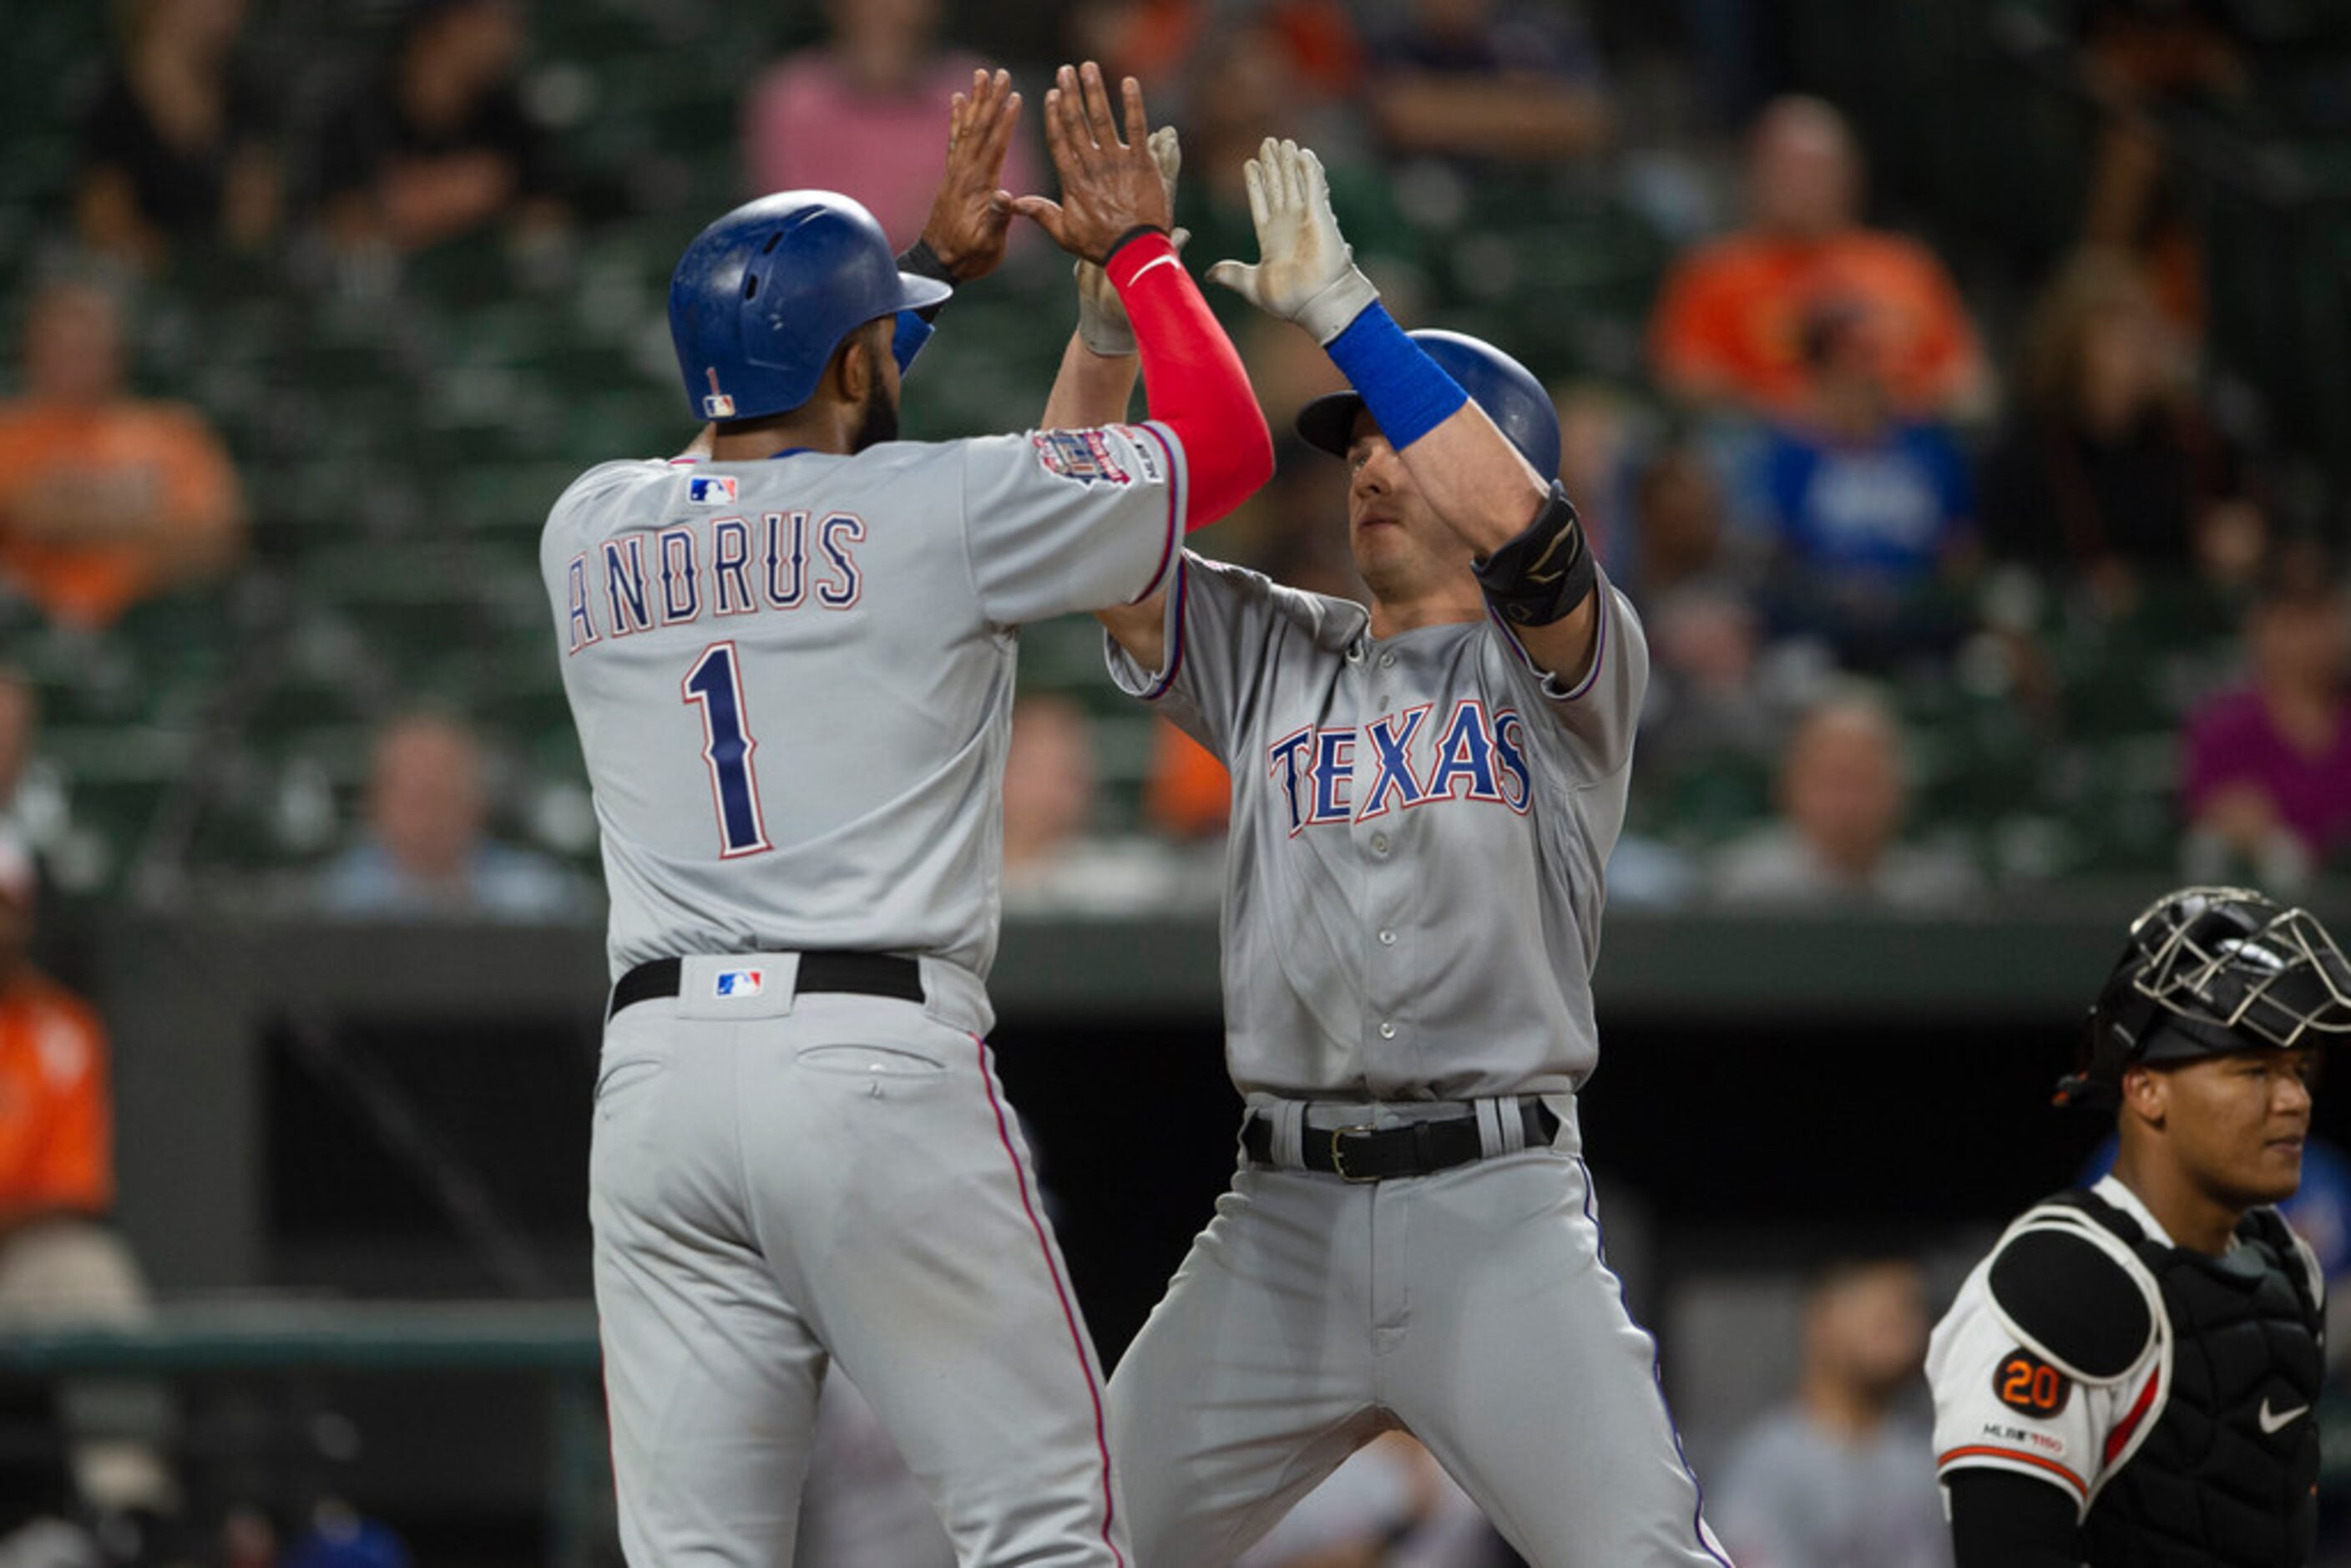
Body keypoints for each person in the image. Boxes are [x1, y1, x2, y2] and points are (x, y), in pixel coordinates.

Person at [548, 64, 1270, 1565]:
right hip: (866, 1062)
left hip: (657, 1084)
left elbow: (795, 465)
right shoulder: (942, 504)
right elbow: (1233, 453)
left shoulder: (588, 522)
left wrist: (912, 285)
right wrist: (1135, 261)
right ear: (863, 359)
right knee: (1047, 1528)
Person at [1079, 136, 1727, 1565]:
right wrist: (1112, 318)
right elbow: (1092, 552)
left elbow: (1534, 544)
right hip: (1279, 1218)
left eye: (1390, 431)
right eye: (1354, 438)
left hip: (1496, 1214)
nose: (1368, 459)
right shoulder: (1272, 650)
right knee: (1067, 1540)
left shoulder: (1573, 667)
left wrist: (1350, 316)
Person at [1927, 885, 2348, 1567]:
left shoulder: (2288, 1266)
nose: (2295, 1099)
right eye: (2254, 1071)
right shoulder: (2064, 1279)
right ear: (2146, 1088)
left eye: (2298, 1071)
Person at [1648, 96, 1986, 422]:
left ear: (1853, 174)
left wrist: (1882, 413)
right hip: (1772, 455)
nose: (1802, 183)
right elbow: (1685, 386)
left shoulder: (1906, 266)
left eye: (1816, 168)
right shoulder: (1714, 273)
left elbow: (1969, 385)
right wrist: (1799, 413)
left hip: (1901, 446)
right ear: (1755, 174)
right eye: (1787, 167)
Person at [1979, 250, 2263, 594]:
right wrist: (2075, 582)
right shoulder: (2027, 449)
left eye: (2146, 333)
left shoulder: (2190, 439)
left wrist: (2238, 539)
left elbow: (2240, 517)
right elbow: (2007, 568)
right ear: (2073, 346)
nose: (2138, 353)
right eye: (2117, 337)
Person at [0, 281, 245, 629]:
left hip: (151, 625)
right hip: (29, 629)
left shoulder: (172, 432)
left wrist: (62, 518)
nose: (76, 361)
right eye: (63, 348)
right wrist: (145, 521)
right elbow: (21, 518)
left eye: (88, 347)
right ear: (32, 350)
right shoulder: (7, 433)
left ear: (118, 352)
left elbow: (216, 542)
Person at [1711, 1257, 1951, 1568]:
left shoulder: (1924, 1459)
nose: (1904, 1334)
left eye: (1911, 1313)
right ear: (1821, 1319)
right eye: (1884, 1316)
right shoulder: (1766, 1467)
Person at [741, 0, 1043, 245]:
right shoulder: (790, 99)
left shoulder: (982, 90)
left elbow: (1011, 222)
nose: (885, 9)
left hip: (968, 295)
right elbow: (795, 227)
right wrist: (930, 222)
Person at [313, 0, 564, 255]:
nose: (504, 38)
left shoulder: (513, 117)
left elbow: (545, 225)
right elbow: (344, 232)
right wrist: (447, 200)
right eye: (483, 21)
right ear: (440, 24)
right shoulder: (356, 113)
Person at [1713, 693, 1981, 911]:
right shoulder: (1747, 891)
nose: (1849, 800)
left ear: (1899, 791)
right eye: (1834, 781)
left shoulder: (1940, 893)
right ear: (1790, 789)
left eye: (1865, 780)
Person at [2182, 555, 2351, 891]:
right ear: (2261, 628)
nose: (2308, 641)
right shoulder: (2223, 726)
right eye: (2293, 622)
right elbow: (2213, 818)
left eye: (2318, 620)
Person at [315, 712, 580, 921]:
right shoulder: (338, 903)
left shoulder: (538, 899)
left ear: (477, 800)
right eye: (415, 800)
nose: (429, 820)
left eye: (443, 797)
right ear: (378, 803)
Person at [76, 0, 280, 267]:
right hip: (143, 288)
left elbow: (257, 223)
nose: (226, 10)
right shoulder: (106, 103)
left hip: (225, 283)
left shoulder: (247, 95)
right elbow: (107, 230)